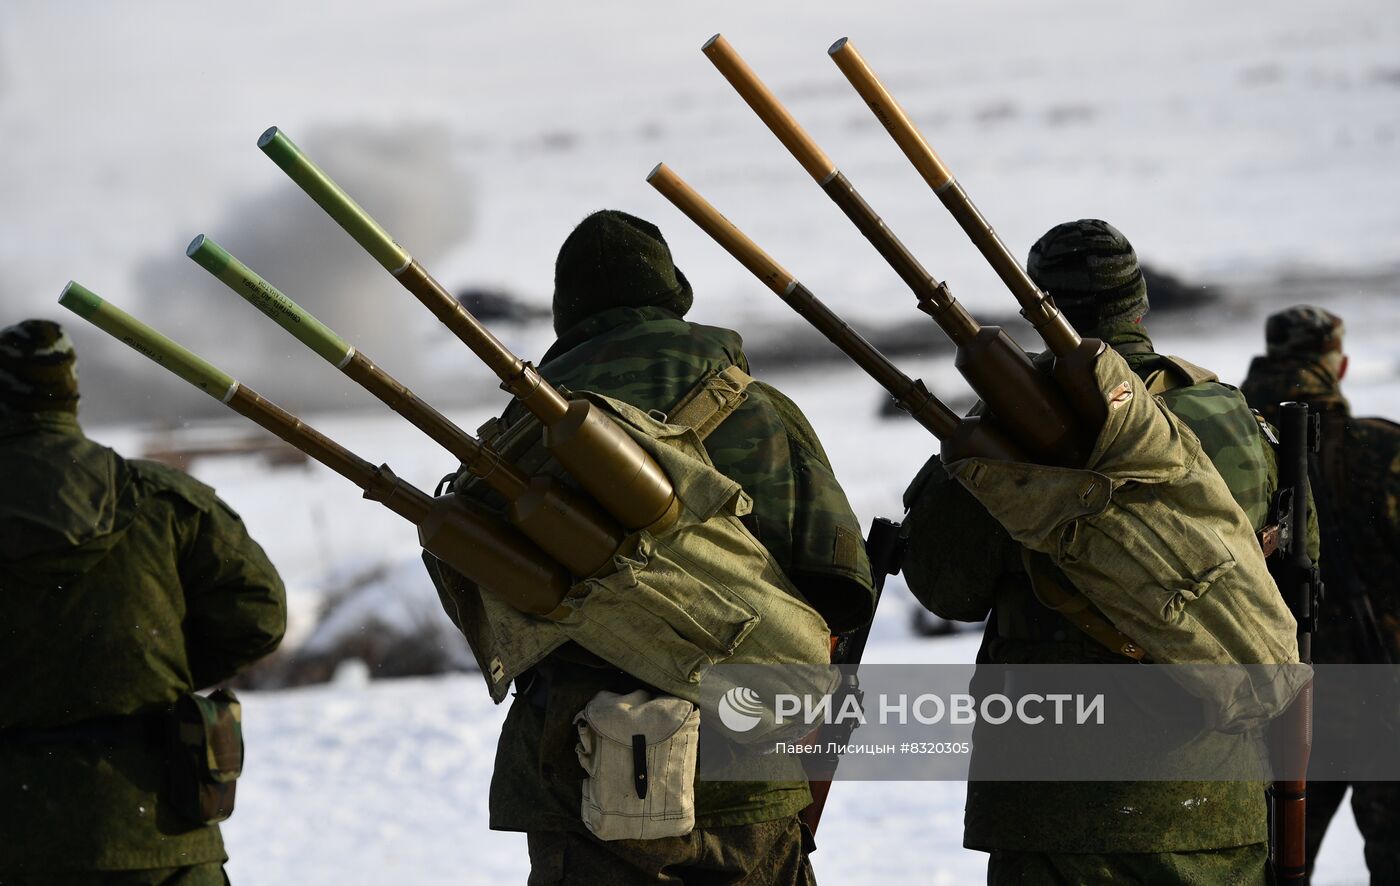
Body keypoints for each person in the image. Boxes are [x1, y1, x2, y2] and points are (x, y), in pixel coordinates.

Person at [429, 210, 875, 884]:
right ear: (675, 293)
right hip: (744, 757)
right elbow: (839, 585)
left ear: (564, 313)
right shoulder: (758, 408)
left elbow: (491, 608)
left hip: (579, 769)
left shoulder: (514, 443)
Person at [902, 220, 1291, 884]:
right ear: (1139, 302)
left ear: (1034, 303)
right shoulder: (1234, 418)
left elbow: (946, 589)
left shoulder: (1000, 434)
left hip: (1051, 803)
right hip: (1211, 796)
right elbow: (1291, 570)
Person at [0, 319, 287, 885]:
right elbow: (259, 613)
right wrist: (156, 661)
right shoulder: (164, 502)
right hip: (161, 838)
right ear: (70, 395)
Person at [1241, 305, 1400, 885]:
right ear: (1342, 365)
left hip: (1267, 700)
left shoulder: (1223, 453)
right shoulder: (1382, 451)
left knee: (1267, 865)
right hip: (1383, 697)